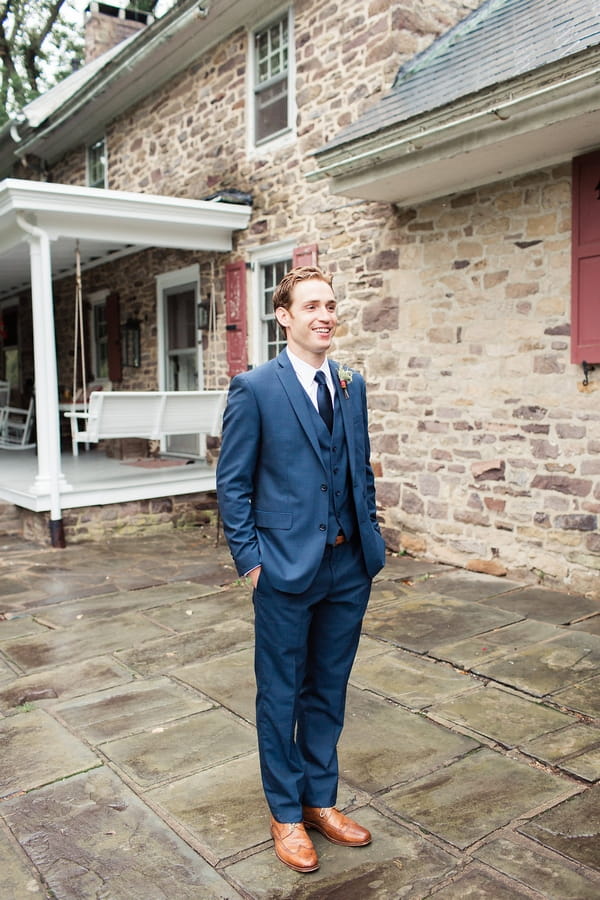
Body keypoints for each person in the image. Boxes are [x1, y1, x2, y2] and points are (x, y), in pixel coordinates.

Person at [216, 265, 386, 873]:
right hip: (284, 570)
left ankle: (320, 801)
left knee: (329, 691)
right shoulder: (255, 388)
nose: (325, 315)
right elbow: (232, 484)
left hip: (348, 566)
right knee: (280, 695)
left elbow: (358, 465)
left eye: (331, 305)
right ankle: (285, 814)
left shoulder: (351, 382)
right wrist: (251, 563)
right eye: (311, 305)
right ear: (283, 316)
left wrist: (371, 533)